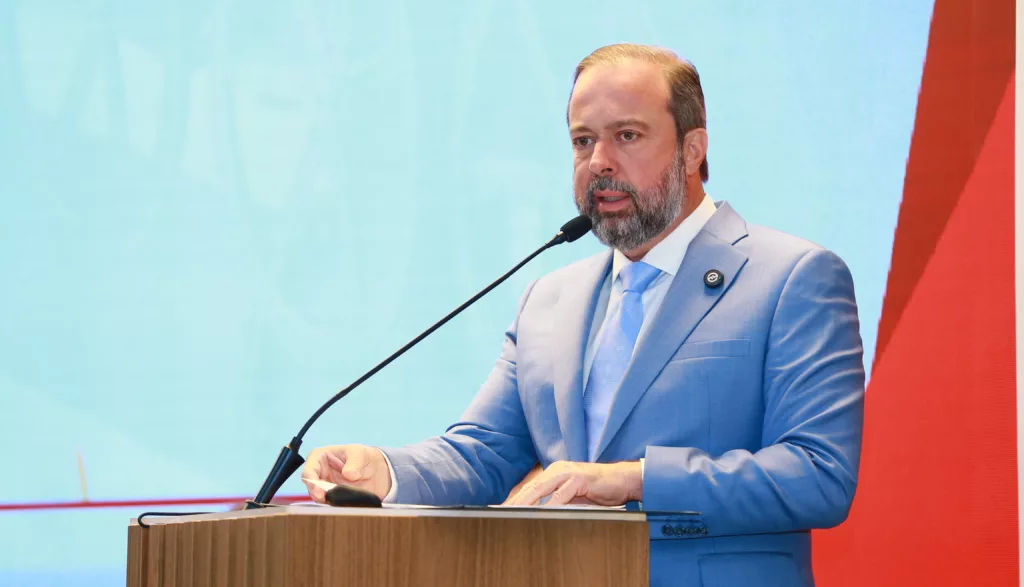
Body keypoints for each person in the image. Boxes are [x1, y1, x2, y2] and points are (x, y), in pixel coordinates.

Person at [302, 44, 864, 587]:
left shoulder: (792, 277)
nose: (599, 162)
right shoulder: (550, 299)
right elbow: (484, 452)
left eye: (627, 136)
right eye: (582, 140)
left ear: (693, 150)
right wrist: (384, 470)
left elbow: (817, 474)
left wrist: (629, 479)